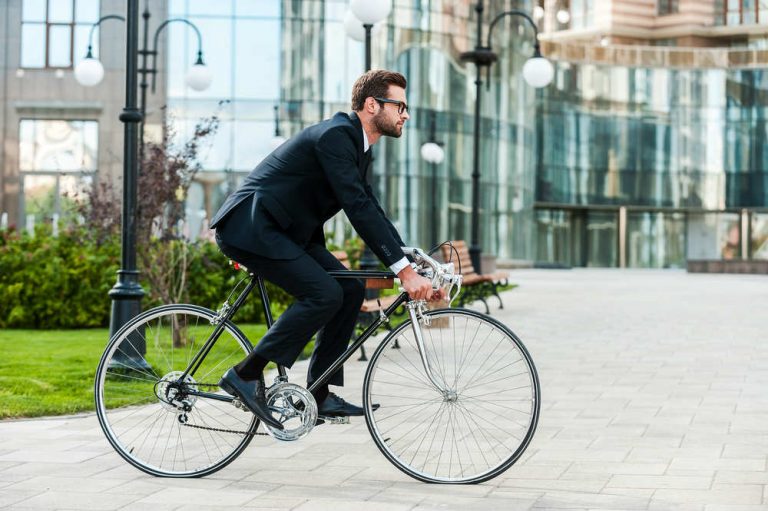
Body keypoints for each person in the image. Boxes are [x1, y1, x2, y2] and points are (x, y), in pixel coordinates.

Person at [210, 70, 443, 430]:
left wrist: (408, 257)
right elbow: (357, 207)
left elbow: (370, 206)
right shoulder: (336, 136)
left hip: (284, 232)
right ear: (372, 105)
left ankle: (317, 393)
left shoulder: (357, 146)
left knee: (348, 289)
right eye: (401, 106)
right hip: (251, 228)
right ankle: (245, 374)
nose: (406, 115)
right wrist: (403, 272)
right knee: (323, 293)